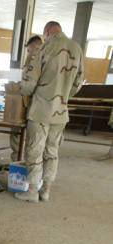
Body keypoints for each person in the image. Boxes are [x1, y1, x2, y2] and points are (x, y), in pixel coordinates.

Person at [15, 21, 83, 203]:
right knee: (52, 151)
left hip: (41, 111)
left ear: (46, 33)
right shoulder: (77, 49)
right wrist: (64, 93)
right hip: (61, 112)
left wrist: (19, 89)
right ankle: (46, 190)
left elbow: (29, 85)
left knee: (34, 150)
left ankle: (31, 191)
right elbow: (78, 83)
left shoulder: (44, 48)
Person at [10, 35, 43, 162]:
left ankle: (20, 164)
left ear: (37, 47)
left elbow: (27, 87)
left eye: (30, 50)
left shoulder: (40, 63)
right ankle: (16, 163)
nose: (29, 53)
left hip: (33, 106)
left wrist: (17, 89)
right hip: (26, 104)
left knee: (30, 141)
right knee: (17, 135)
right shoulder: (31, 62)